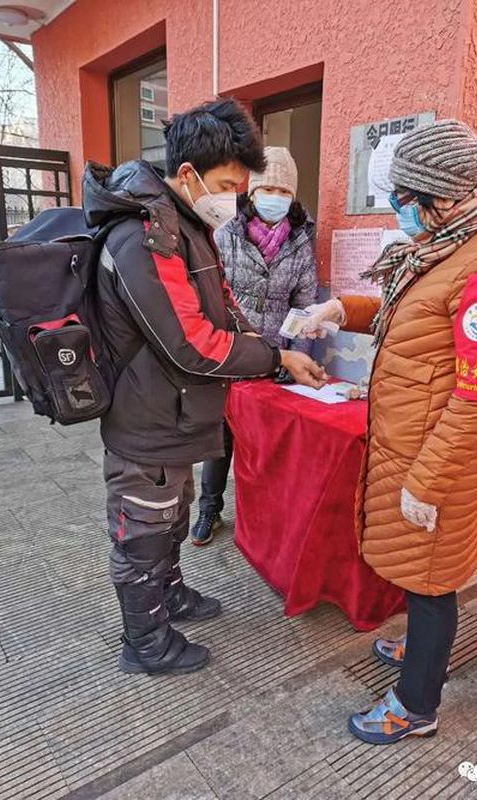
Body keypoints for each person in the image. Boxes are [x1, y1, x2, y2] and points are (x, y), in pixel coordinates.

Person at [303, 120, 477, 744]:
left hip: (437, 458)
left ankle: (415, 707)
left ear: (445, 195)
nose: (400, 210)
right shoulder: (455, 241)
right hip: (411, 444)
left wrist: (427, 481)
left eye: (407, 199)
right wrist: (342, 309)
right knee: (419, 571)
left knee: (432, 580)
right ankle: (421, 656)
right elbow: (415, 316)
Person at [83, 99, 326, 676]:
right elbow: (191, 342)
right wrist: (275, 357)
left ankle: (171, 596)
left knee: (173, 511)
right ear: (188, 174)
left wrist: (276, 345)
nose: (233, 199)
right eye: (225, 184)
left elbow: (224, 309)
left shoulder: (185, 224)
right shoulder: (144, 236)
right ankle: (145, 643)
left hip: (177, 412)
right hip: (146, 416)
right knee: (144, 526)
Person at [191, 146, 318, 545]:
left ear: (292, 197)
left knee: (266, 442)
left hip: (278, 352)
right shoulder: (226, 234)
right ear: (252, 192)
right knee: (221, 434)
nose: (275, 198)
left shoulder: (301, 242)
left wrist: (297, 353)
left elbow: (306, 305)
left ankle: (261, 520)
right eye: (268, 189)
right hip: (233, 348)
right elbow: (212, 295)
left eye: (283, 191)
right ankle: (209, 508)